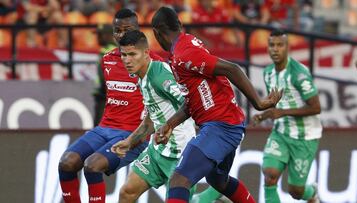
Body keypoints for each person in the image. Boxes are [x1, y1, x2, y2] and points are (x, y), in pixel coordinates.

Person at [151, 6, 282, 203]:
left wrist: (259, 103)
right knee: (218, 180)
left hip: (221, 125)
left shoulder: (184, 53)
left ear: (156, 32)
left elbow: (232, 69)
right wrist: (170, 124)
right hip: (225, 123)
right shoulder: (185, 47)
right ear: (180, 24)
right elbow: (192, 101)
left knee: (179, 180)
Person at [58, 8, 162, 203]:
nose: (121, 35)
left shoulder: (155, 64)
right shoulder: (107, 60)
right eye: (117, 30)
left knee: (92, 165)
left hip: (132, 134)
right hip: (104, 128)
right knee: (67, 163)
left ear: (138, 30)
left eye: (127, 29)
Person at [111, 30, 223, 203]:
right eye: (123, 55)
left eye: (132, 54)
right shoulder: (142, 77)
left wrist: (171, 127)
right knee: (127, 192)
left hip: (179, 154)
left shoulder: (159, 75)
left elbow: (189, 102)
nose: (127, 60)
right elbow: (152, 118)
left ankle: (214, 195)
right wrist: (130, 141)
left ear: (146, 53)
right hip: (157, 151)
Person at [252, 29, 321, 203]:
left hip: (304, 136)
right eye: (271, 45)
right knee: (269, 175)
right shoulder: (268, 72)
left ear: (287, 47)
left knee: (295, 191)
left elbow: (316, 107)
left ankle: (311, 193)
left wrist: (282, 112)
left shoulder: (299, 74)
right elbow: (277, 105)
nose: (275, 49)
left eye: (280, 45)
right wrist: (263, 115)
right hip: (281, 132)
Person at [93, 24, 117, 125]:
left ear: (108, 36)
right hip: (112, 96)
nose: (97, 38)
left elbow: (105, 75)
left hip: (104, 95)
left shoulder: (106, 52)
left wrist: (104, 91)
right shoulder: (117, 50)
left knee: (100, 127)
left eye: (100, 35)